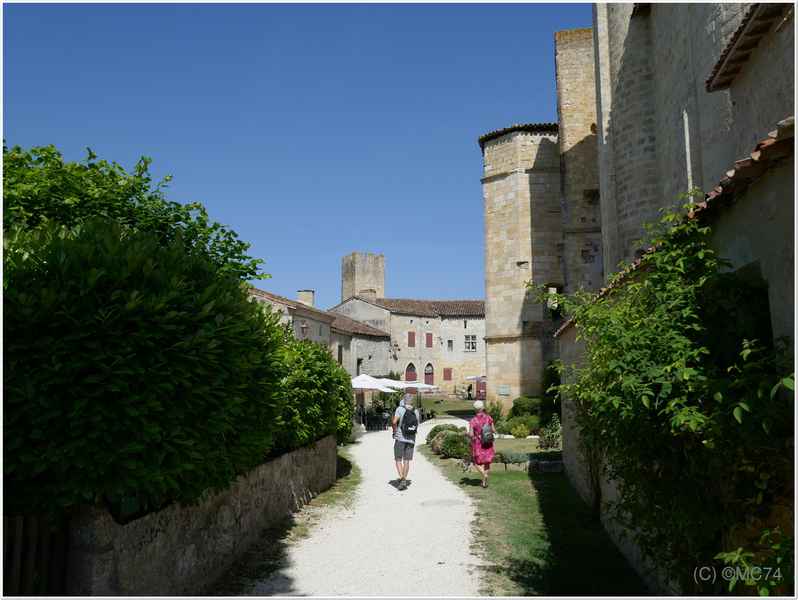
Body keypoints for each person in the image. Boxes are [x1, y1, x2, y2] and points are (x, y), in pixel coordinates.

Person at [391, 393, 420, 491]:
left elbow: (394, 422)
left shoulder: (400, 409)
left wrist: (394, 431)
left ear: (404, 400)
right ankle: (404, 479)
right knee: (407, 460)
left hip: (400, 437)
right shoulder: (416, 411)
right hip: (411, 439)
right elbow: (417, 424)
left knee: (398, 459)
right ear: (411, 401)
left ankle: (402, 479)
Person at [468, 400, 496, 488]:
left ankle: (484, 475)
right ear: (483, 408)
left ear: (475, 409)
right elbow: (493, 430)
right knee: (487, 462)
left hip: (478, 444)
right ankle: (484, 482)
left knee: (475, 462)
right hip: (488, 442)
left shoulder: (473, 420)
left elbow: (471, 434)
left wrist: (470, 435)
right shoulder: (489, 418)